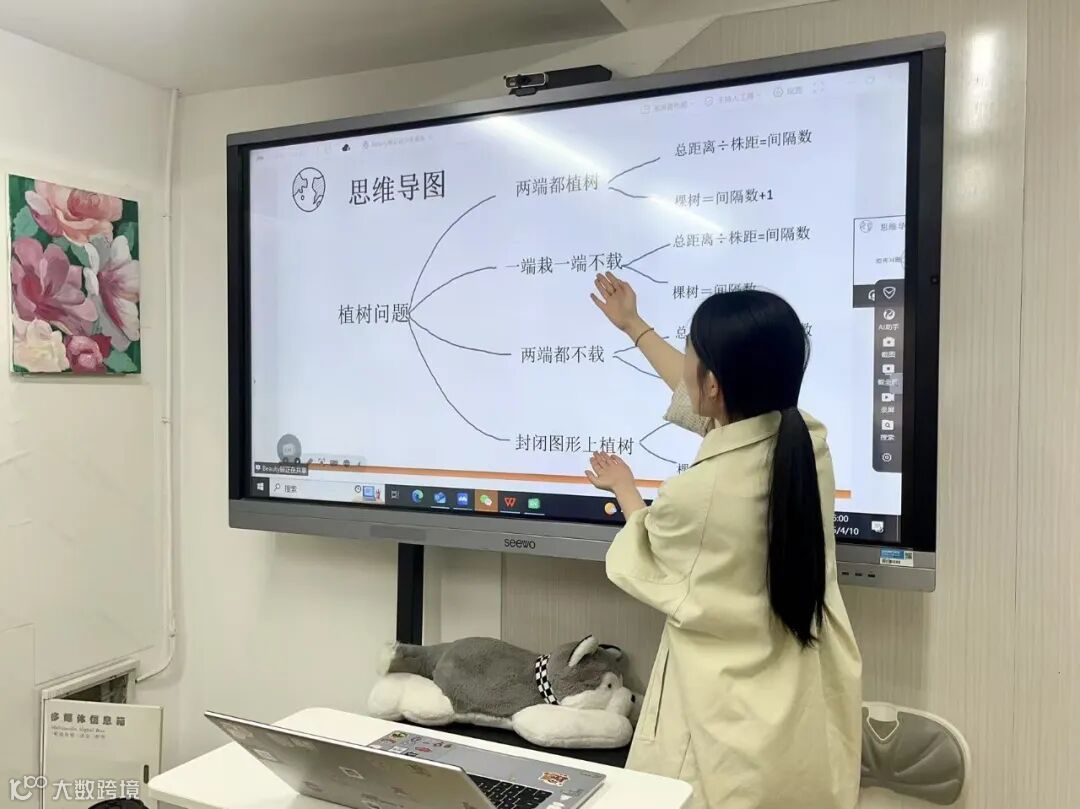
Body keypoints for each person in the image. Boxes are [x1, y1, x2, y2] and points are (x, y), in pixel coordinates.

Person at [585, 272, 862, 809]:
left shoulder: (701, 494)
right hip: (800, 702)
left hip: (728, 717)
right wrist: (633, 325)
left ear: (713, 385)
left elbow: (643, 556)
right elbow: (704, 402)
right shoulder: (807, 444)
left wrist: (625, 490)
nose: (684, 364)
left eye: (691, 352)